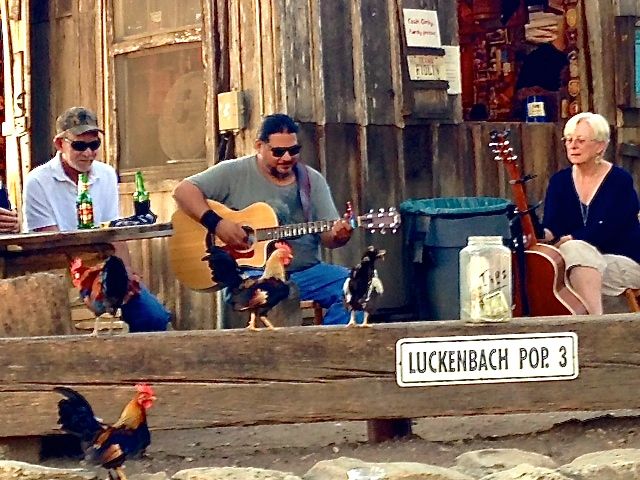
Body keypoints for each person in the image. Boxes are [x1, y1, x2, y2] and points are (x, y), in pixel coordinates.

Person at [173, 113, 360, 325]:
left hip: (307, 272)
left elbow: (329, 238)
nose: (287, 157)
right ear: (259, 146)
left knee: (358, 287)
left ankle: (328, 344)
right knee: (266, 295)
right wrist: (217, 224)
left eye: (294, 150)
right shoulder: (233, 172)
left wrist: (340, 236)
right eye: (278, 152)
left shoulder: (311, 180)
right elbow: (183, 191)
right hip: (250, 275)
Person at [22, 106, 171, 332]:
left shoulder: (106, 174)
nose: (88, 153)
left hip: (105, 265)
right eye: (79, 146)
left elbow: (114, 234)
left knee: (154, 318)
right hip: (61, 272)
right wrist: (90, 277)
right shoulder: (38, 181)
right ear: (60, 144)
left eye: (94, 145)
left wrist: (126, 273)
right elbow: (49, 244)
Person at [542, 112, 640, 315]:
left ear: (600, 146)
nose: (573, 146)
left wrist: (572, 239)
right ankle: (594, 322)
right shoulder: (559, 181)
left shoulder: (620, 180)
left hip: (623, 260)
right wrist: (540, 234)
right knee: (562, 261)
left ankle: (592, 322)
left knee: (573, 253)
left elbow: (611, 228)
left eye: (580, 140)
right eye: (568, 140)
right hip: (576, 260)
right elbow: (553, 225)